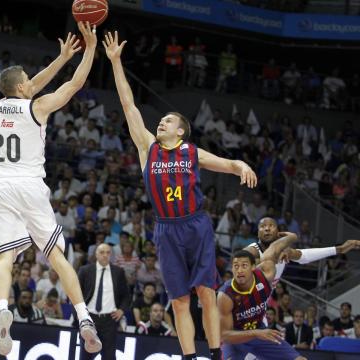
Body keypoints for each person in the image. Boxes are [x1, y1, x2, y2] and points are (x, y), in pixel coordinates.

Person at [103, 31, 258, 360]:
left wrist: (242, 164)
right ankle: (189, 357)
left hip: (196, 225)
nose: (161, 121)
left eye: (168, 120)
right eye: (161, 119)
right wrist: (116, 62)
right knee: (179, 301)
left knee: (206, 293)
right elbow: (128, 105)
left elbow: (229, 163)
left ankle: (215, 354)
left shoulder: (191, 152)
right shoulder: (148, 148)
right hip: (166, 229)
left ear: (181, 131)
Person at [0, 22, 101, 356]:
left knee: (4, 258)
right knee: (55, 256)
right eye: (27, 78)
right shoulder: (36, 108)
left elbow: (31, 85)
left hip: (0, 187)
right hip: (29, 186)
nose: (31, 80)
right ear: (22, 86)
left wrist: (63, 56)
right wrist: (89, 48)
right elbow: (75, 85)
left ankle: (3, 307)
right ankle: (83, 318)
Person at [218, 232, 305, 360]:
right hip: (236, 338)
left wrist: (292, 237)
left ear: (253, 267)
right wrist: (256, 333)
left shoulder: (266, 273)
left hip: (260, 332)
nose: (239, 270)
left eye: (244, 266)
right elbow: (224, 334)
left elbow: (274, 248)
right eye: (236, 266)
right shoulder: (225, 295)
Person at [245, 217, 360, 287]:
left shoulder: (285, 251)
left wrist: (338, 249)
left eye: (271, 226)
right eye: (263, 226)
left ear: (278, 232)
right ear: (258, 233)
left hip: (261, 308)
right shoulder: (252, 251)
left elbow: (304, 256)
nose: (267, 229)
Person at [77, 243, 131, 360]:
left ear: (111, 255)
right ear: (96, 254)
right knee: (85, 356)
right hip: (89, 318)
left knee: (109, 356)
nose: (105, 255)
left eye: (108, 252)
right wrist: (80, 317)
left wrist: (121, 309)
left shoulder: (118, 272)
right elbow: (75, 295)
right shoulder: (85, 270)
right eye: (102, 252)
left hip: (109, 320)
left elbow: (126, 295)